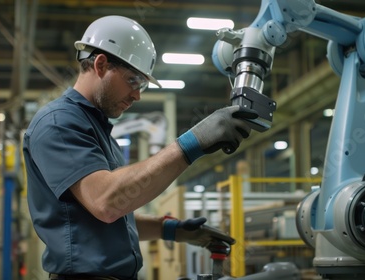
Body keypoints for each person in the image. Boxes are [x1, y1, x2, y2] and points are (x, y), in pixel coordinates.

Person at [22, 15, 256, 280]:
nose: (137, 95)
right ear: (100, 65)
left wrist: (170, 229)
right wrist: (193, 142)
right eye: (134, 80)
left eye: (142, 84)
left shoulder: (99, 130)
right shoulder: (58, 124)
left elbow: (106, 221)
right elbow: (106, 202)